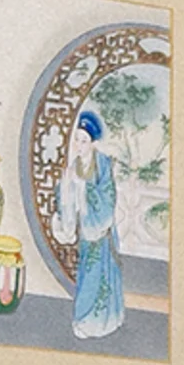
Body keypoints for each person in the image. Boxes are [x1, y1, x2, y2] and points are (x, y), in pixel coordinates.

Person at [66, 109, 126, 340]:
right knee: (86, 275)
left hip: (102, 232)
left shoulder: (102, 164)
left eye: (83, 140)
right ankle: (83, 319)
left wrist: (83, 187)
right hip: (85, 231)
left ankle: (103, 322)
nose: (78, 144)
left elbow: (108, 197)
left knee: (100, 275)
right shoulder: (75, 165)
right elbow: (68, 196)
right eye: (77, 139)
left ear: (93, 142)